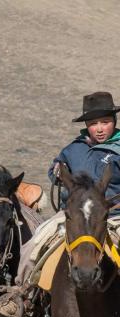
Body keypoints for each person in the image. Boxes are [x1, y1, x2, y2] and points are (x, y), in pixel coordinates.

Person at [16, 91, 120, 289]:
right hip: (73, 216)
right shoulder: (74, 149)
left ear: (114, 121)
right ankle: (24, 293)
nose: (99, 129)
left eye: (105, 122)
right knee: (35, 244)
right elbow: (56, 167)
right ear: (86, 126)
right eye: (93, 124)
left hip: (113, 215)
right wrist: (56, 170)